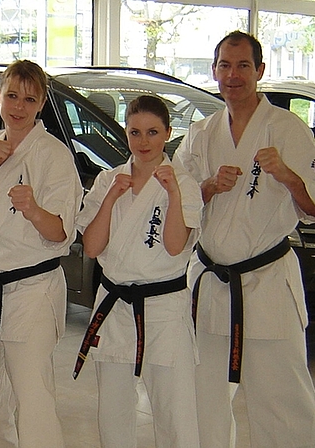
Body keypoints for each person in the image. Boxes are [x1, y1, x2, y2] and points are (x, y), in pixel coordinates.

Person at [174, 30, 315, 447]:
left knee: (282, 396)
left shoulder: (287, 129)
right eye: (224, 65)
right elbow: (177, 202)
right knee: (204, 395)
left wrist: (286, 175)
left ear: (259, 71)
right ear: (214, 71)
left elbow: (311, 207)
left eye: (242, 66)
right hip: (212, 282)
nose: (232, 75)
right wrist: (208, 187)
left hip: (267, 280)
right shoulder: (201, 133)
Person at [0, 59, 82, 448]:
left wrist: (34, 209)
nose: (18, 107)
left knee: (33, 398)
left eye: (29, 99)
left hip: (31, 291)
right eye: (11, 96)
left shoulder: (53, 155)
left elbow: (61, 235)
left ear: (41, 104)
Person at [73, 95, 202, 447]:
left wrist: (173, 193)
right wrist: (112, 198)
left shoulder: (184, 183)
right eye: (135, 132)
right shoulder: (108, 180)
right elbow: (92, 248)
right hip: (114, 306)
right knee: (112, 411)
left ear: (168, 134)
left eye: (152, 132)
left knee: (174, 411)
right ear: (126, 134)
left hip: (164, 307)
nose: (143, 142)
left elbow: (176, 246)